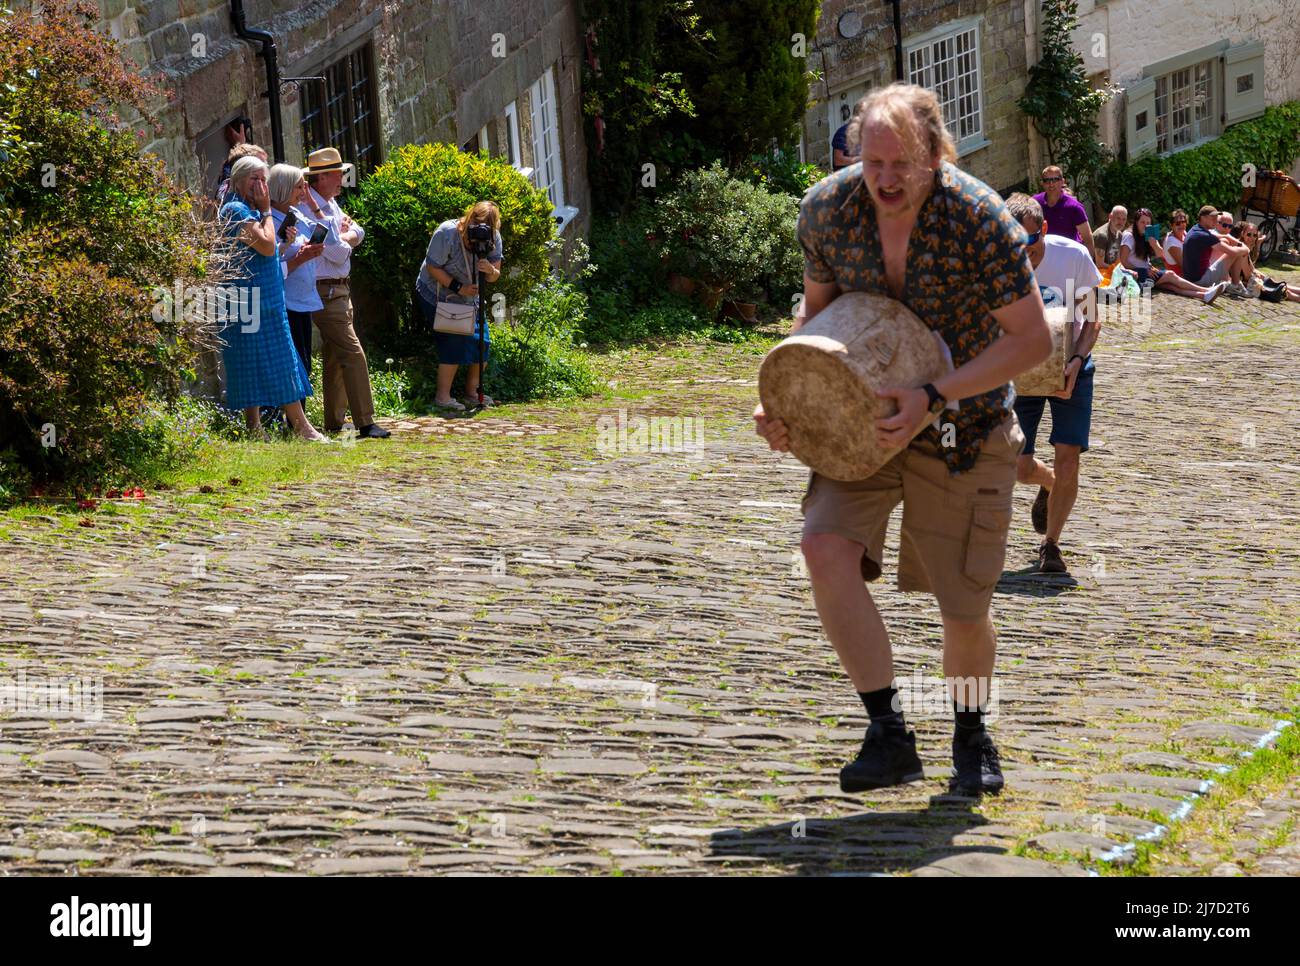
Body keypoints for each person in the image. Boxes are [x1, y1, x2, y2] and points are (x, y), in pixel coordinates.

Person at [755, 83, 1052, 798]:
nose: (885, 179)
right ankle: (888, 734)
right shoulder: (828, 210)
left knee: (962, 604)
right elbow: (815, 316)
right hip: (861, 420)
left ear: (935, 155)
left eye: (902, 165)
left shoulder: (980, 219)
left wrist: (935, 395)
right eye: (872, 162)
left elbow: (1032, 341)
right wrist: (783, 397)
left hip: (963, 426)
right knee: (823, 549)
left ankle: (972, 735)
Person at [1004, 194, 1101, 574]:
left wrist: (1077, 361)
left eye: (1029, 241)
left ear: (1043, 229)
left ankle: (1051, 545)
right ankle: (1048, 483)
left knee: (1069, 457)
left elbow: (1091, 319)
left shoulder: (1072, 257)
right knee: (1018, 466)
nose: (1022, 251)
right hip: (1022, 369)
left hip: (1071, 365)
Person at [217, 156, 327, 442]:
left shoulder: (250, 211)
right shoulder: (235, 210)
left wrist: (284, 243)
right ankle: (299, 428)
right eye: (254, 179)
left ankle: (259, 429)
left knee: (266, 360)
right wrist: (267, 210)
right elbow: (266, 247)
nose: (260, 185)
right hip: (250, 300)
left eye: (263, 179)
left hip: (264, 299)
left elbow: (267, 252)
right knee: (271, 361)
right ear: (238, 181)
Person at [302, 146, 390, 439]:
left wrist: (342, 236)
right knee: (352, 352)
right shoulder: (309, 209)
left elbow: (359, 232)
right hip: (325, 290)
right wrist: (342, 238)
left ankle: (334, 421)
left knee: (335, 355)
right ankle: (365, 422)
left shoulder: (329, 203)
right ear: (322, 177)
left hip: (339, 288)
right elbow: (339, 253)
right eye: (337, 174)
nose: (342, 179)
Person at [414, 201, 505, 410]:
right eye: (476, 224)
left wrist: (490, 270)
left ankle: (472, 393)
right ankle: (443, 398)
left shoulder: (493, 237)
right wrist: (459, 287)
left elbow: (494, 276)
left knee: (482, 342)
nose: (479, 231)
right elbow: (432, 267)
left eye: (486, 227)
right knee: (452, 341)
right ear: (470, 217)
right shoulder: (447, 233)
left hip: (470, 298)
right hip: (437, 294)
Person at [267, 163, 326, 399]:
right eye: (299, 187)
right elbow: (272, 267)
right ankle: (293, 418)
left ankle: (298, 416)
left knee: (304, 364)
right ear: (283, 188)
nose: (304, 192)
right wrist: (300, 257)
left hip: (302, 300)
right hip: (287, 302)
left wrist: (308, 249)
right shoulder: (271, 221)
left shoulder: (296, 213)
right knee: (295, 365)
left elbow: (329, 234)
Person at [1119, 208, 1226, 302]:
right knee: (1170, 275)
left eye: (1148, 222)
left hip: (1146, 273)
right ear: (1136, 222)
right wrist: (1143, 269)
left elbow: (1160, 254)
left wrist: (1154, 244)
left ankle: (1204, 295)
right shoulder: (1129, 236)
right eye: (1142, 222)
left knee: (1171, 286)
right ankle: (1206, 290)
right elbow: (1123, 262)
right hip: (1135, 274)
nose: (1146, 225)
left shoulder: (1147, 234)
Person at [1179, 205, 1254, 297]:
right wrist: (1245, 248)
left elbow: (1219, 236)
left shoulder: (1195, 229)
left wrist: (1230, 239)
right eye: (1213, 218)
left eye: (1216, 218)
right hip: (1200, 281)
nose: (1215, 220)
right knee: (1236, 252)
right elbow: (1232, 252)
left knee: (1233, 247)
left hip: (1191, 278)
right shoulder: (1204, 236)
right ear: (1203, 218)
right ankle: (1235, 286)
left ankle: (1236, 283)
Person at [1033, 165, 1096, 264]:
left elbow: (1087, 238)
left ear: (1062, 181)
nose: (1051, 184)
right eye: (1047, 180)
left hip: (1070, 260)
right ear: (1042, 183)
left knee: (1070, 277)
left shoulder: (1074, 207)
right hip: (1045, 260)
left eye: (1055, 179)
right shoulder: (1035, 203)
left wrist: (1089, 263)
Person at [1091, 205, 1127, 274]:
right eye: (1118, 218)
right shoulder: (1102, 236)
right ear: (1110, 216)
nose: (1121, 222)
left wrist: (1126, 271)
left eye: (1124, 219)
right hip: (1097, 273)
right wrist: (1118, 270)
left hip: (1111, 271)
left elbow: (1118, 261)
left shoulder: (1120, 235)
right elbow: (1099, 264)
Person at [1162, 209, 1189, 275]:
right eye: (1177, 223)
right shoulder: (1172, 243)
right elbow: (1185, 267)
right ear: (1172, 225)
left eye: (1183, 222)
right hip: (1180, 276)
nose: (1181, 225)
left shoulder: (1183, 233)